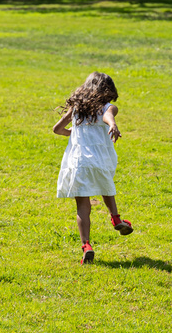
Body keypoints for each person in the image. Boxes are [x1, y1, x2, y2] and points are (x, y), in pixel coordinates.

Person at [53, 72, 133, 264]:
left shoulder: (77, 108)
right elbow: (107, 115)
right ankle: (115, 218)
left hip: (78, 161)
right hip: (99, 161)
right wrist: (112, 124)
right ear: (108, 90)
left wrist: (72, 133)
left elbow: (57, 129)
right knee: (106, 189)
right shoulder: (108, 106)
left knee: (82, 205)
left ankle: (86, 245)